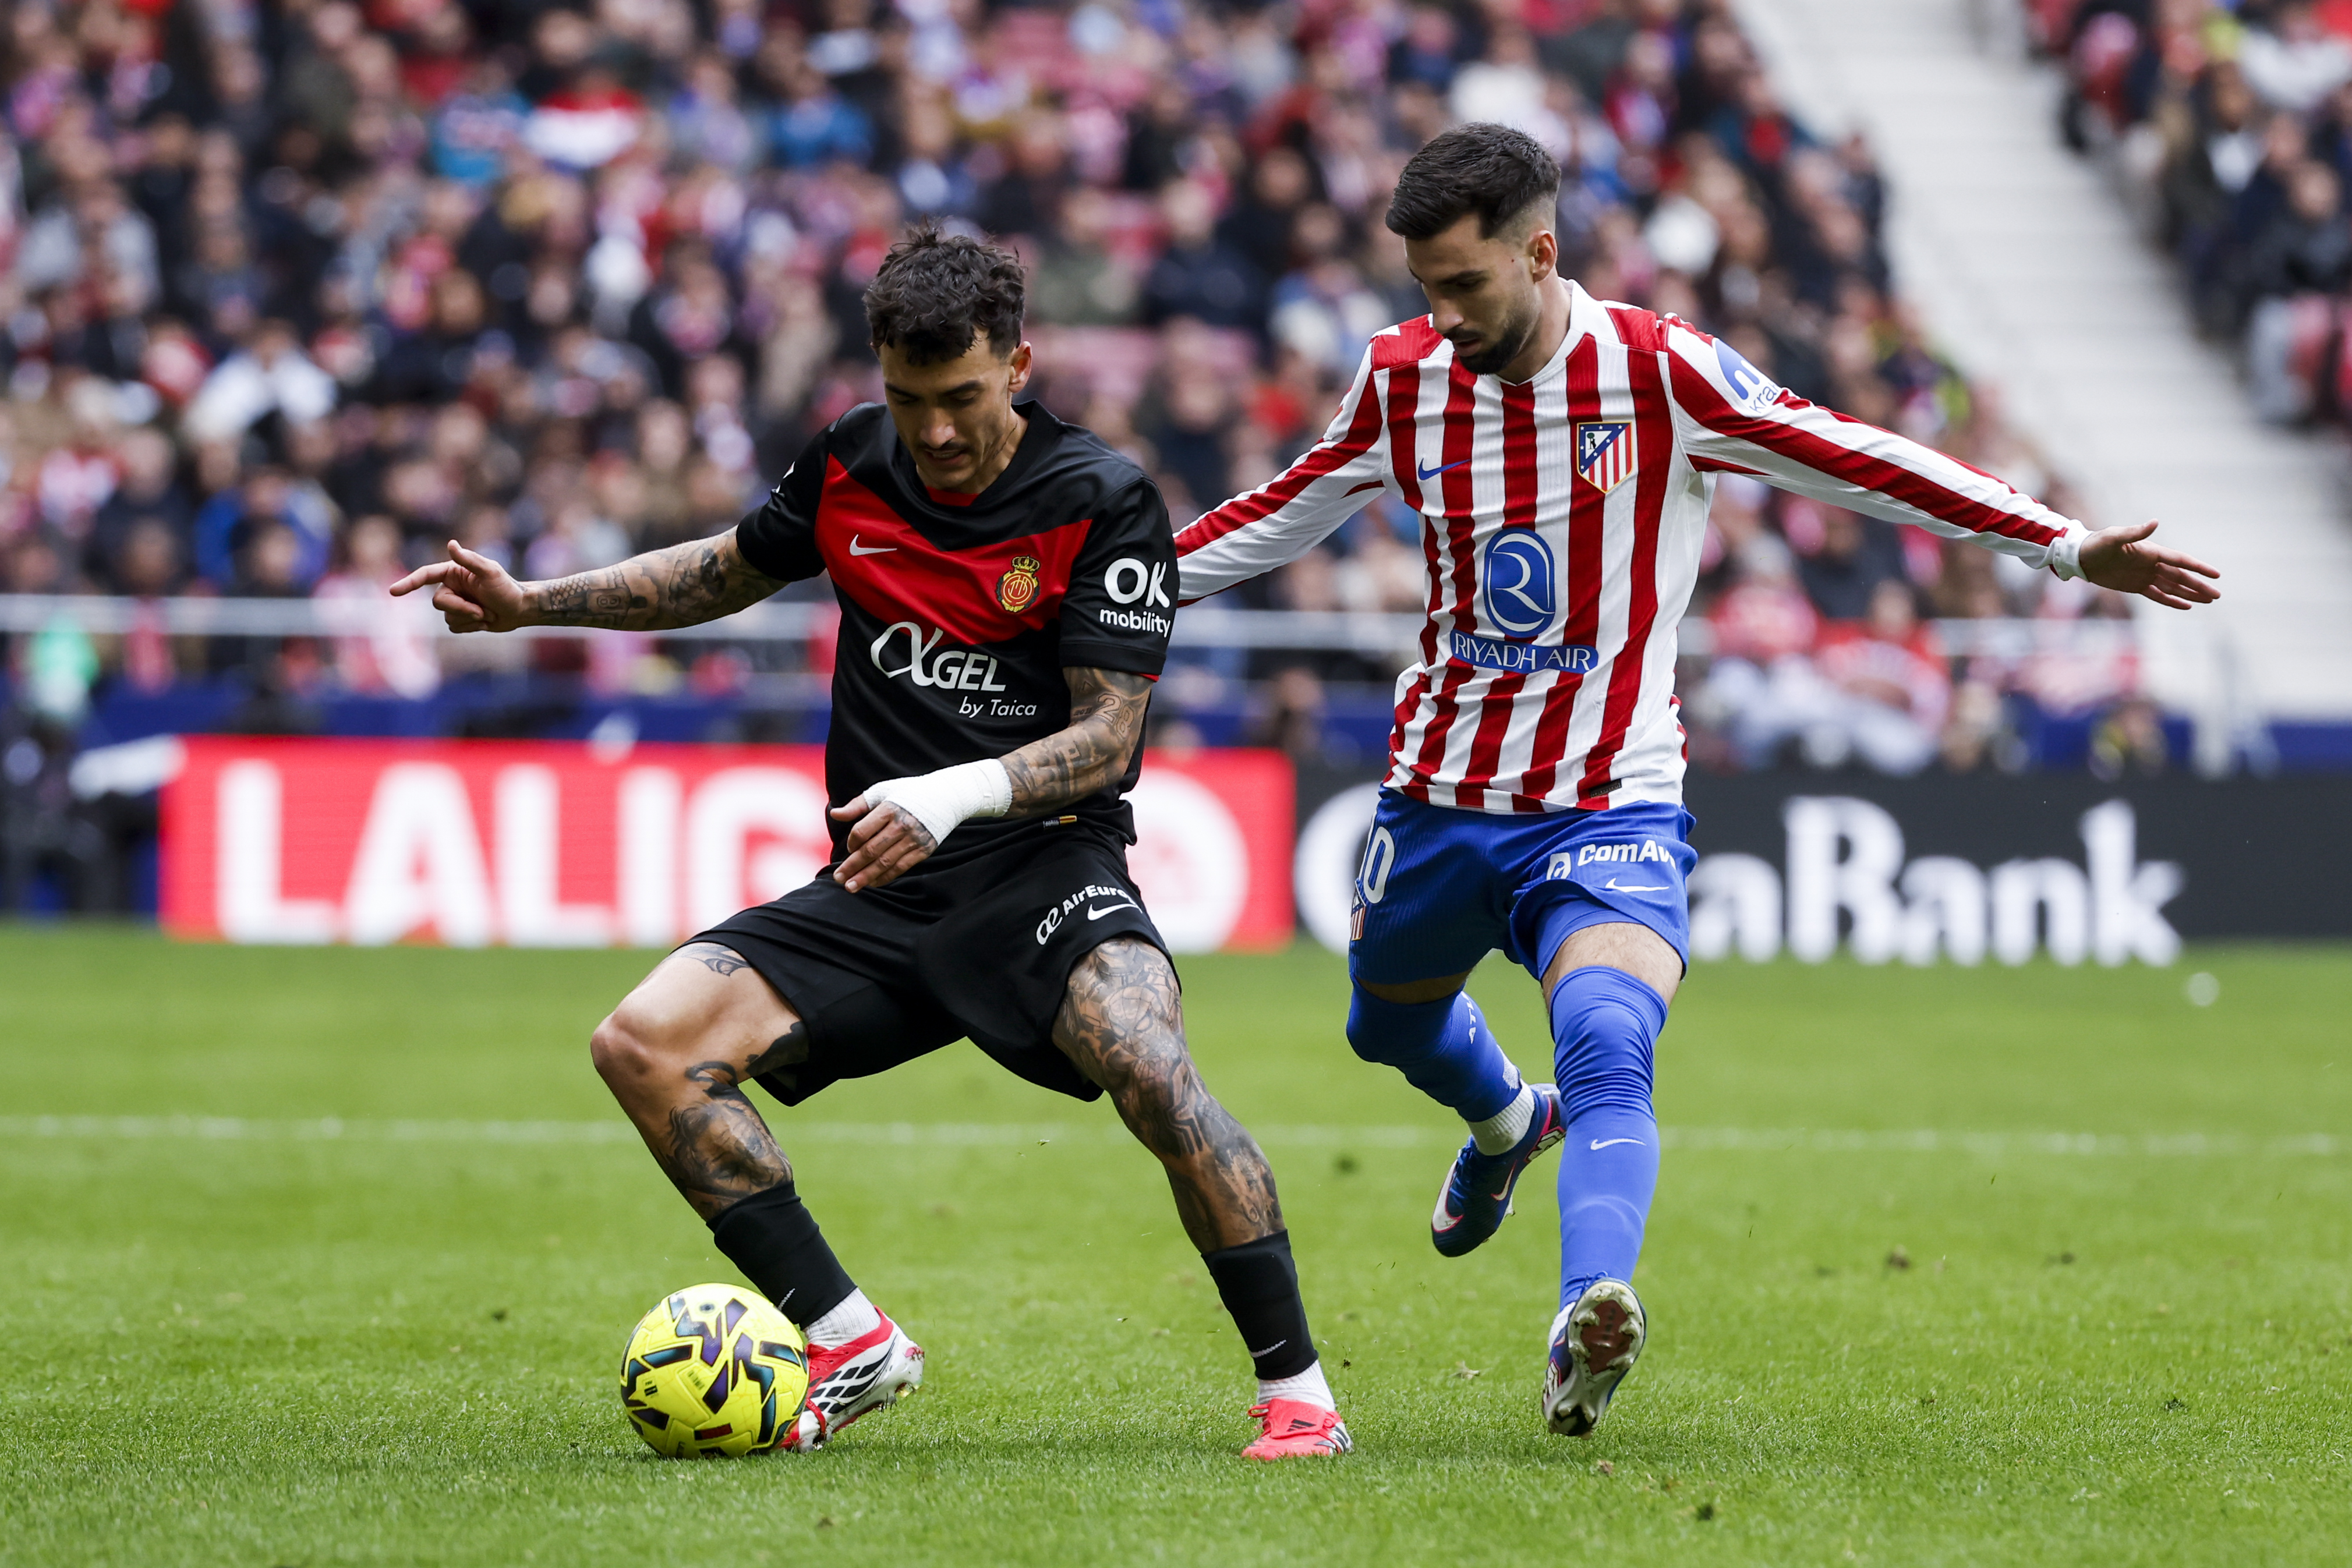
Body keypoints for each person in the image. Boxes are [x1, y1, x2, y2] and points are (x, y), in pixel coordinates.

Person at [1175, 123, 2222, 1439]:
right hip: (1438, 793)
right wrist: (1118, 591)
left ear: (1540, 253)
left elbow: (1852, 453)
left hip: (1611, 794)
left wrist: (2061, 546)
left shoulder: (1659, 373)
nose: (1439, 317)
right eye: (1423, 290)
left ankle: (1587, 1312)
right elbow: (1282, 508)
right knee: (1381, 1026)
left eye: (1464, 286)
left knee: (1611, 1038)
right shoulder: (1402, 382)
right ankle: (1505, 1122)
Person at [391, 225, 1349, 1461]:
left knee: (1146, 1059)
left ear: (1017, 364)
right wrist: (535, 604)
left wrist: (952, 795)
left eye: (958, 399)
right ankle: (847, 1339)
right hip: (876, 883)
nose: (934, 433)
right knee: (642, 1046)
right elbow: (723, 571)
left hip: (1040, 868)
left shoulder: (1100, 499)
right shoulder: (852, 459)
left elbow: (1110, 739)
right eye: (908, 400)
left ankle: (1298, 1394)